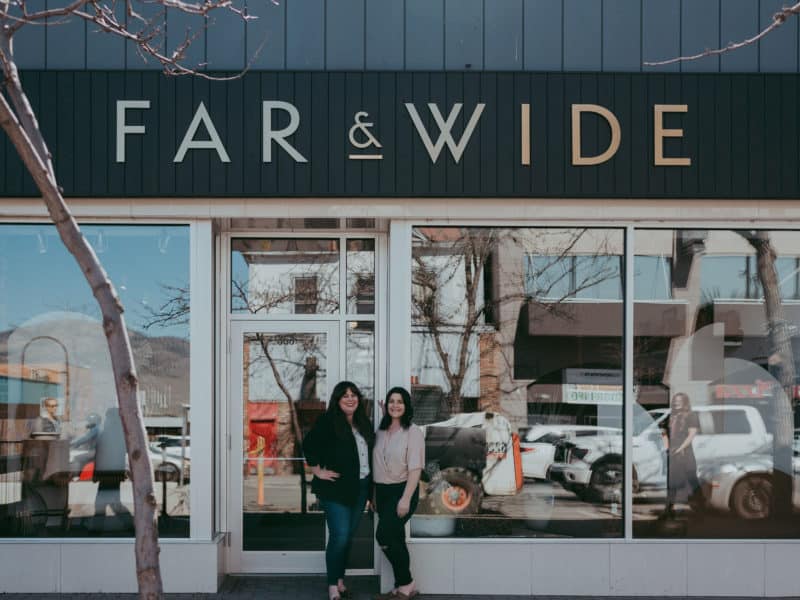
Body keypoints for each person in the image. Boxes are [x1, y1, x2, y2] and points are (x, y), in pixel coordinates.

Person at [303, 381, 374, 600]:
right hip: (335, 490)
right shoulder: (328, 421)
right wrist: (318, 471)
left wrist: (372, 492)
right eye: (345, 395)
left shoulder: (364, 423)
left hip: (361, 488)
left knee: (348, 537)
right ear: (338, 399)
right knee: (340, 537)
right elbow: (308, 444)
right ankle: (333, 586)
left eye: (354, 395)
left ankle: (340, 580)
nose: (351, 398)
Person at [372, 386, 424, 600]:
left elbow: (415, 469)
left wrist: (405, 499)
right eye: (391, 401)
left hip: (403, 490)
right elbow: (377, 463)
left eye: (400, 401)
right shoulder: (381, 431)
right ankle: (403, 588)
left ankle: (406, 582)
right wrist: (374, 496)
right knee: (396, 539)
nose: (395, 405)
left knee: (383, 535)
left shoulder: (413, 432)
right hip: (382, 492)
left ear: (407, 406)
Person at [661, 392, 701, 519]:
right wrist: (667, 448)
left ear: (685, 402)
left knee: (692, 481)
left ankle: (701, 507)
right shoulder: (671, 416)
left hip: (685, 453)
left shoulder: (691, 415)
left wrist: (680, 448)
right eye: (675, 400)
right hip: (673, 452)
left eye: (679, 400)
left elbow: (691, 435)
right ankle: (668, 509)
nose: (676, 402)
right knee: (671, 482)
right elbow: (663, 433)